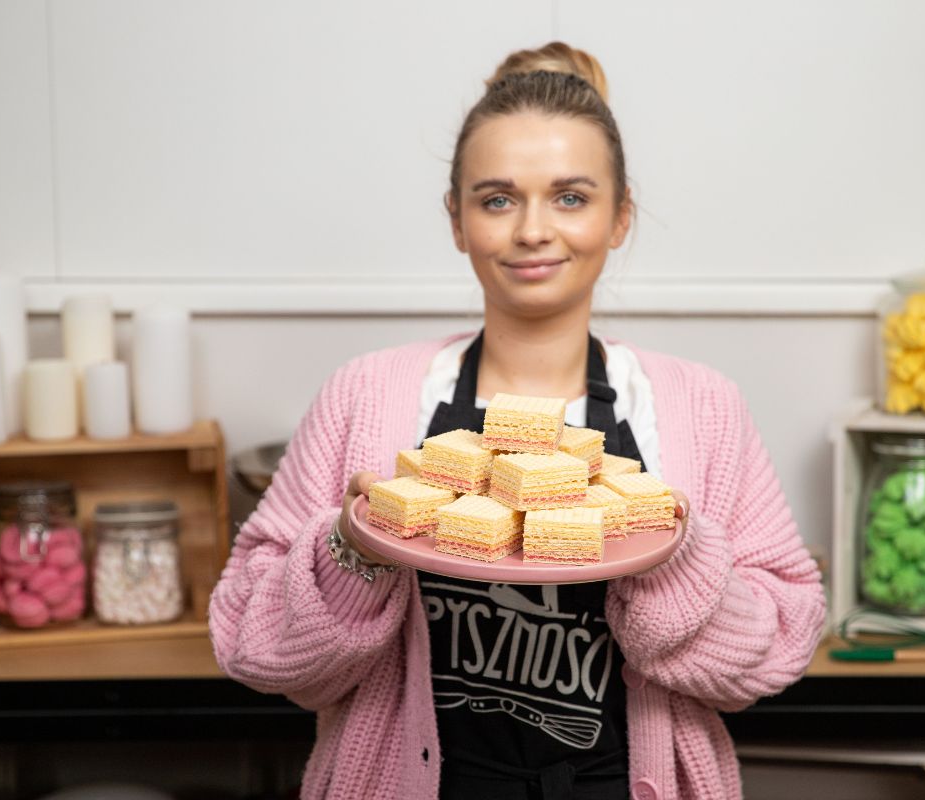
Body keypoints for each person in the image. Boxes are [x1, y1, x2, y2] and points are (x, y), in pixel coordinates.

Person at [209, 42, 826, 800]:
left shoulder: (702, 406)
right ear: (457, 220)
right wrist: (353, 550)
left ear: (621, 216)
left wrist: (674, 558)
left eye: (570, 197)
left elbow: (781, 642)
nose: (533, 230)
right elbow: (248, 639)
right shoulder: (365, 394)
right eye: (498, 199)